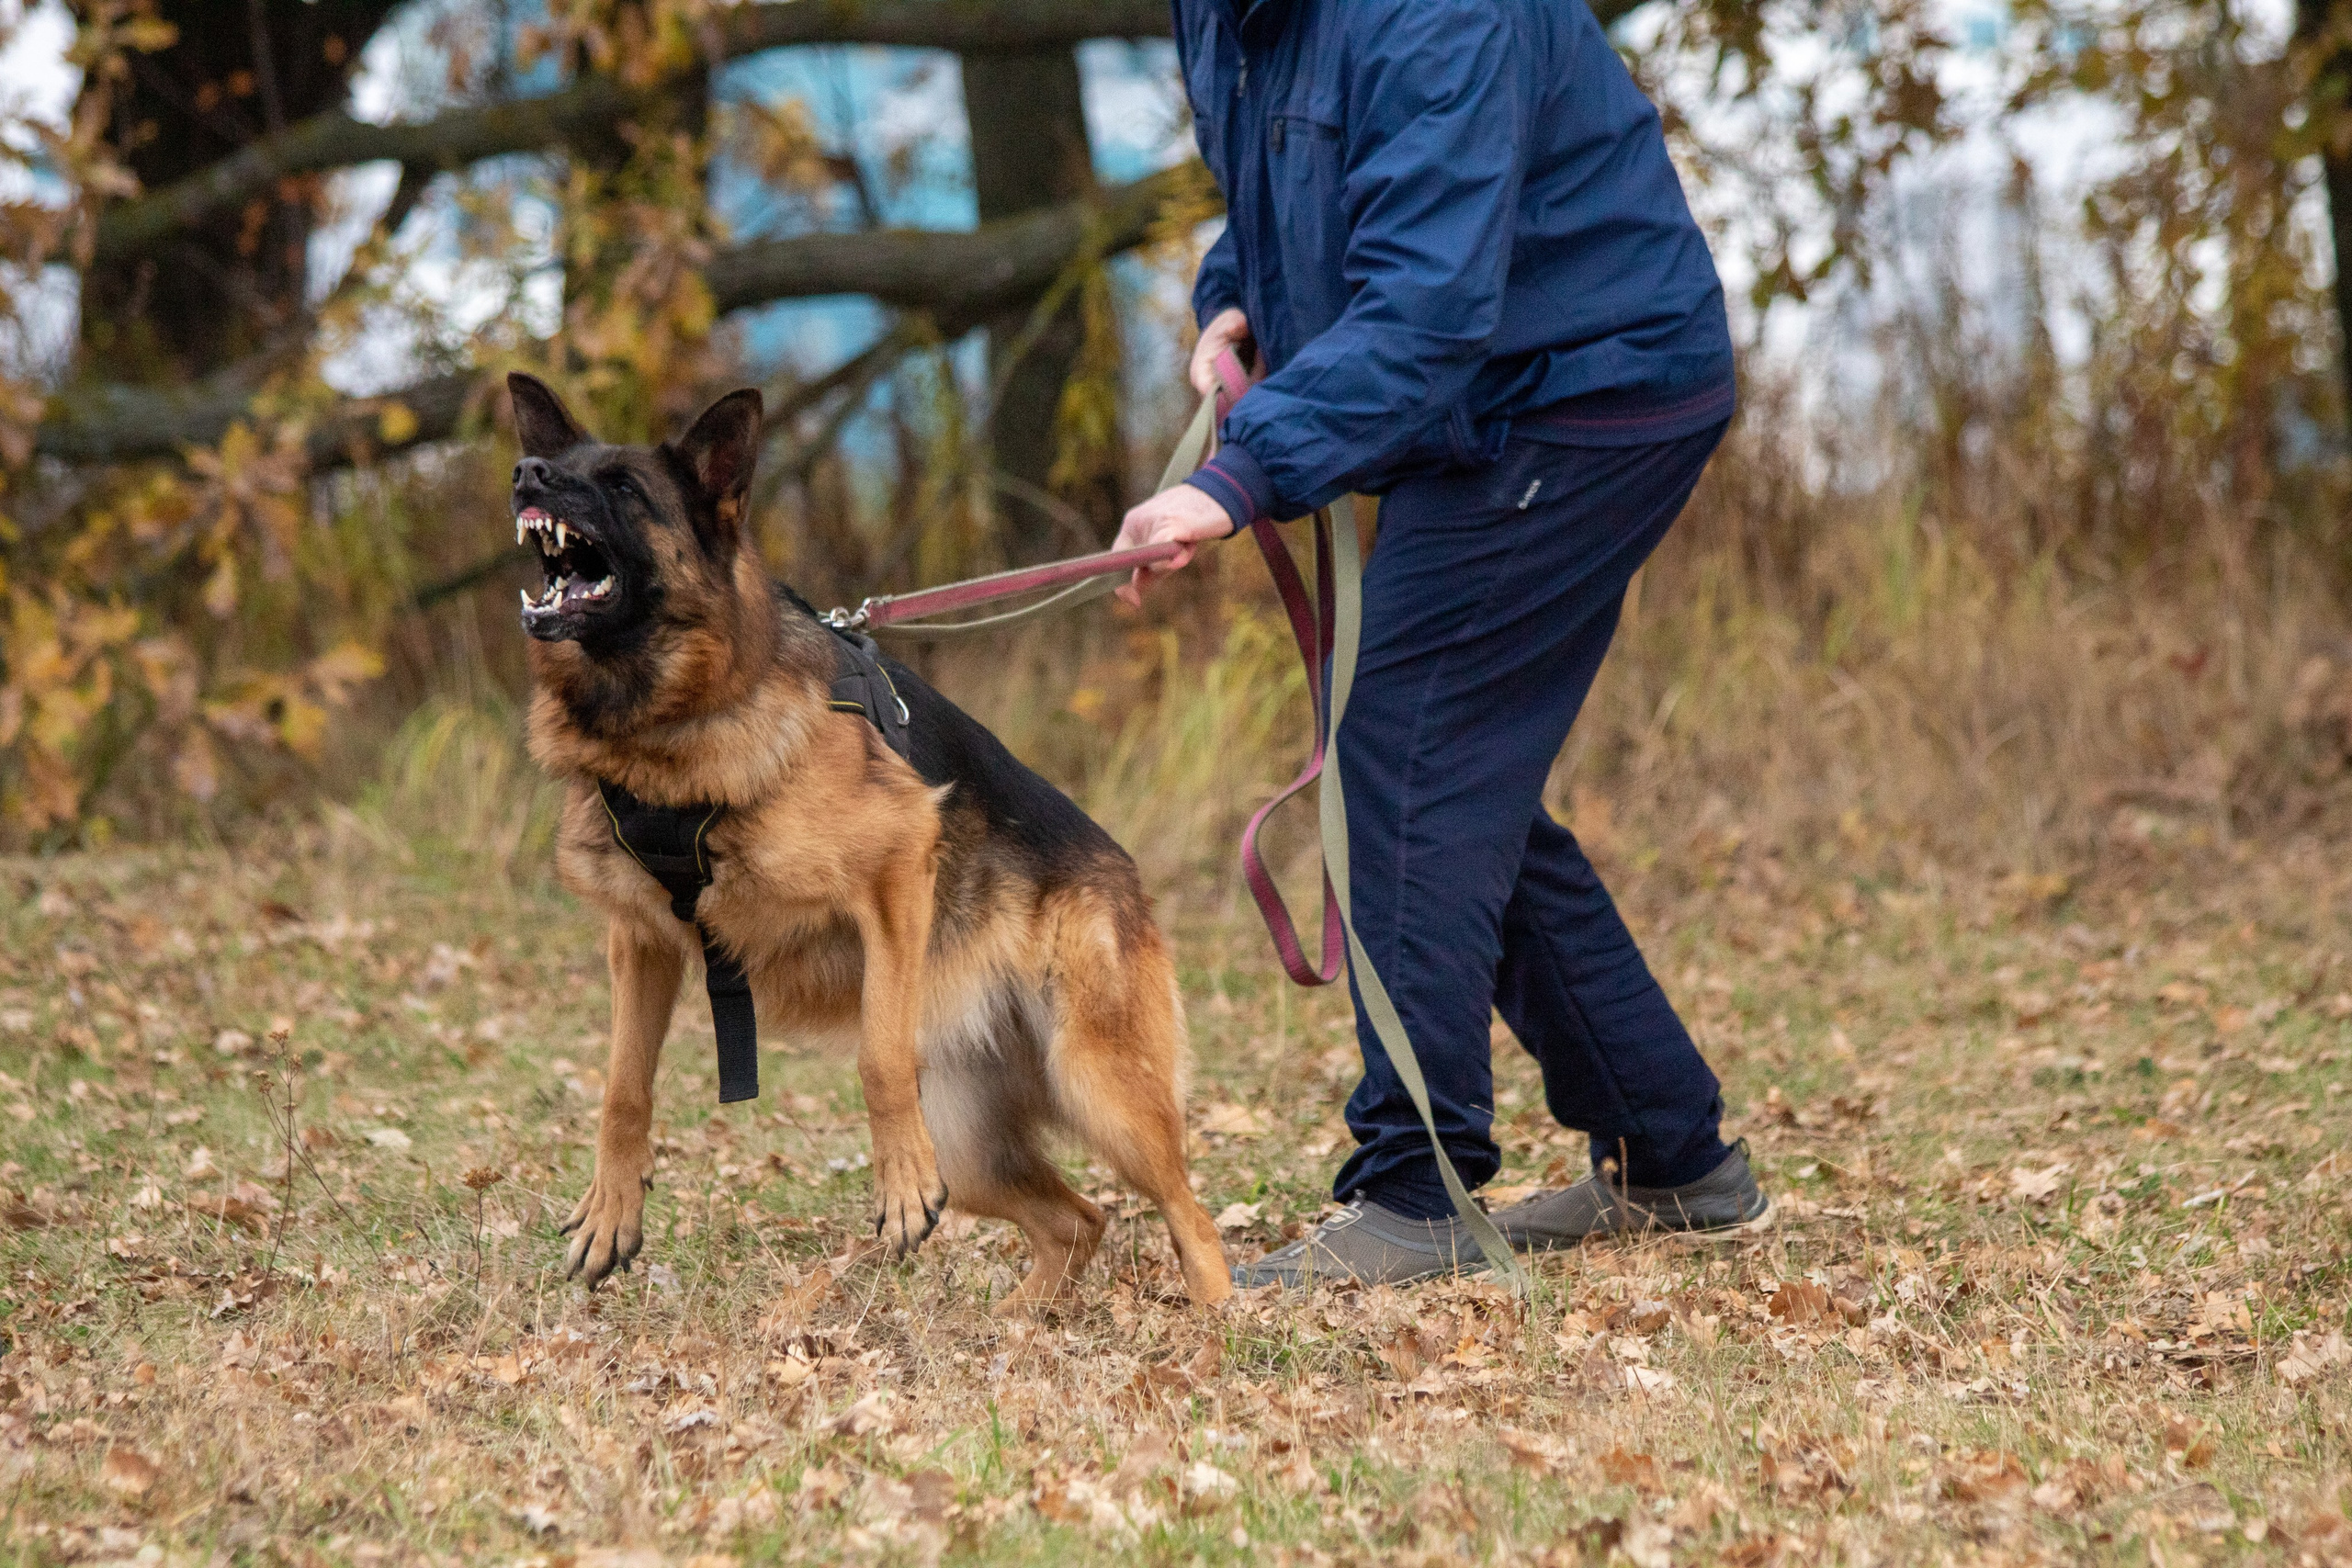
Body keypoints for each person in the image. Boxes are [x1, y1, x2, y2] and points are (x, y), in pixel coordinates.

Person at [1113, 0, 1772, 1287]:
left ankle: (1417, 1193)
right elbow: (1271, 187)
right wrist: (1234, 300)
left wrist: (1239, 480)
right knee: (1446, 767)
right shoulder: (1225, 10)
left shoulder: (1442, 15)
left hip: (1590, 389)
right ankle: (1672, 1159)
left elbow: (1426, 302)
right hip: (1483, 397)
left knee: (1402, 755)